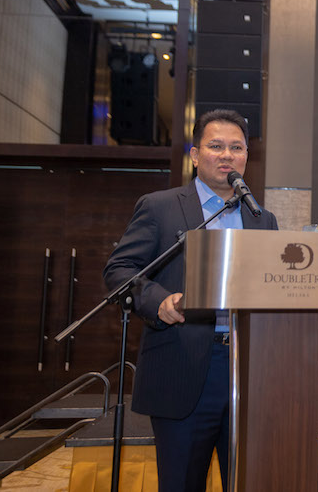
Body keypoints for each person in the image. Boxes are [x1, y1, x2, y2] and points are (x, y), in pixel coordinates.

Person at [103, 108, 277, 492]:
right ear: (195, 155)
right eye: (216, 146)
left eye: (237, 147)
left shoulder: (262, 219)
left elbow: (272, 288)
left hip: (249, 372)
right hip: (182, 367)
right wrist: (160, 300)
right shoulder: (160, 206)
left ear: (247, 156)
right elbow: (119, 271)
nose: (227, 155)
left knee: (250, 481)